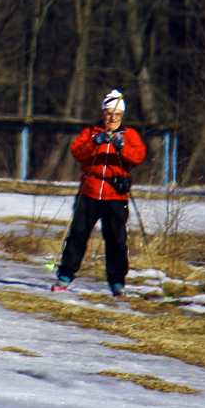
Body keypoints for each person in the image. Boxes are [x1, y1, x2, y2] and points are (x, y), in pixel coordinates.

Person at [54, 89, 146, 297]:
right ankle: (65, 276)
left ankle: (117, 282)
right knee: (78, 234)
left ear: (122, 116)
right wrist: (95, 142)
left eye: (117, 115)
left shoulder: (130, 135)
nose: (112, 119)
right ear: (103, 113)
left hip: (115, 194)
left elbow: (138, 157)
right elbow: (77, 152)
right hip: (90, 191)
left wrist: (122, 148)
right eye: (108, 114)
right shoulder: (91, 132)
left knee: (116, 238)